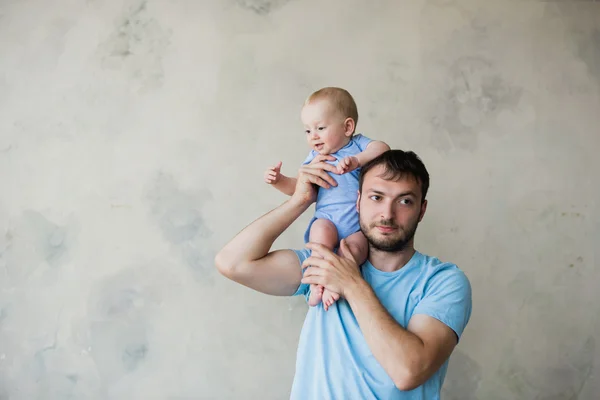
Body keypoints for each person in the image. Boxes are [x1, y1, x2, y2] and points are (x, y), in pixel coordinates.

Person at [215, 149, 472, 399]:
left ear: (422, 210)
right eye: (376, 197)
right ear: (358, 201)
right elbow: (233, 263)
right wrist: (300, 200)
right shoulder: (325, 261)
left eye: (404, 201)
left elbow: (408, 372)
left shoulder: (443, 281)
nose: (387, 214)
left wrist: (350, 283)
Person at [264, 87, 390, 310]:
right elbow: (299, 189)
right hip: (328, 220)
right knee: (319, 236)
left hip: (357, 227)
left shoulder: (356, 145)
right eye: (307, 131)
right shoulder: (314, 158)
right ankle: (316, 283)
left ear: (347, 127)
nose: (313, 136)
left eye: (320, 128)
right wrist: (279, 181)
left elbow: (383, 149)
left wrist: (357, 161)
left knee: (354, 250)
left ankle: (335, 284)